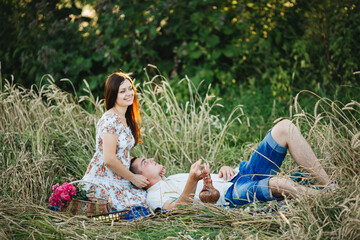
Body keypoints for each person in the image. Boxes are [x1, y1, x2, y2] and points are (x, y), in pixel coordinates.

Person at [130, 120, 334, 210]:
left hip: (241, 174)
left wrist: (224, 170)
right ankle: (330, 199)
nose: (152, 160)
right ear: (143, 178)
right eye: (145, 162)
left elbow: (211, 184)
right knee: (281, 184)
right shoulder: (153, 196)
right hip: (233, 195)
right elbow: (178, 210)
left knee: (284, 127)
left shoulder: (171, 178)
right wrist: (193, 180)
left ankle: (330, 186)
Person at [82, 72, 149, 211]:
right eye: (123, 91)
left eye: (130, 89)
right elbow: (109, 159)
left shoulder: (124, 118)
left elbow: (120, 154)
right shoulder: (111, 120)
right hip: (105, 182)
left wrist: (145, 164)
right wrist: (133, 178)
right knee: (143, 204)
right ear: (113, 95)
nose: (129, 93)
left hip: (120, 179)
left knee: (148, 196)